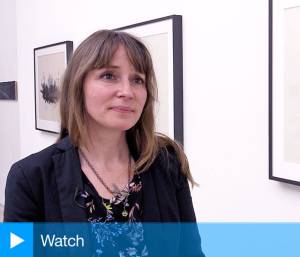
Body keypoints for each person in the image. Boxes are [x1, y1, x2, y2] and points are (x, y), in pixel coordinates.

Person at [4, 30, 205, 256]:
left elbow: (191, 251)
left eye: (137, 80)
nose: (127, 91)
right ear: (78, 85)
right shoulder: (30, 177)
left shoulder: (166, 162)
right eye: (109, 76)